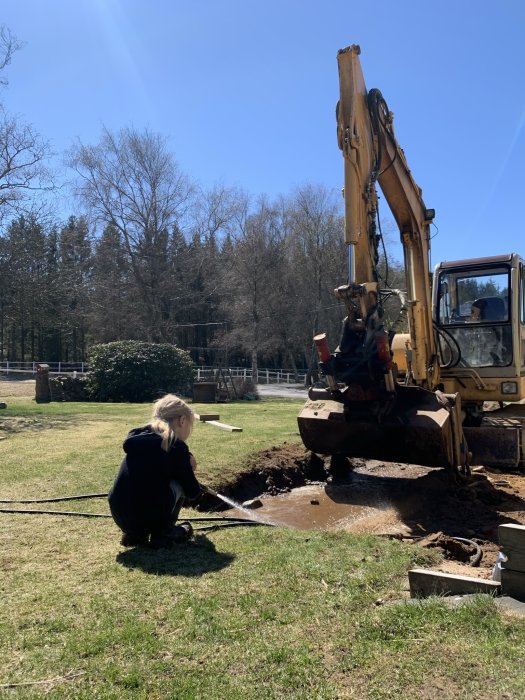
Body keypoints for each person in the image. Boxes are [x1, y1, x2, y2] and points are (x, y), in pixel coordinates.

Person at [108, 394, 203, 548]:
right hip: (150, 516)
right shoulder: (176, 446)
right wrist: (189, 468)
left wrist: (186, 457)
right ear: (182, 421)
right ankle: (164, 532)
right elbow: (192, 491)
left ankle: (134, 535)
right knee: (178, 484)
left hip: (121, 517)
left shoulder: (137, 438)